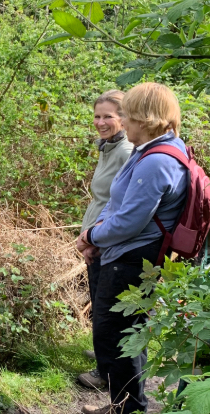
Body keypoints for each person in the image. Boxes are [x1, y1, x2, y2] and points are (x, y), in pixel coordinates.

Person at [75, 82, 188, 414]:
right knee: (119, 335)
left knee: (117, 336)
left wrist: (92, 235)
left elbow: (130, 219)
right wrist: (99, 238)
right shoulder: (151, 150)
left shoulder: (157, 160)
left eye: (127, 114)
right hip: (124, 253)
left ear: (145, 118)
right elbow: (118, 204)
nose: (122, 120)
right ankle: (122, 408)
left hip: (134, 261)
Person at [77, 90, 134, 391]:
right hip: (96, 238)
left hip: (107, 241)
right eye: (97, 116)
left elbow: (122, 205)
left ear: (124, 119)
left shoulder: (125, 152)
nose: (100, 122)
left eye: (108, 116)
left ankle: (106, 372)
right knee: (100, 302)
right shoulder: (108, 148)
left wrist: (96, 239)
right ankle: (105, 357)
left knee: (106, 310)